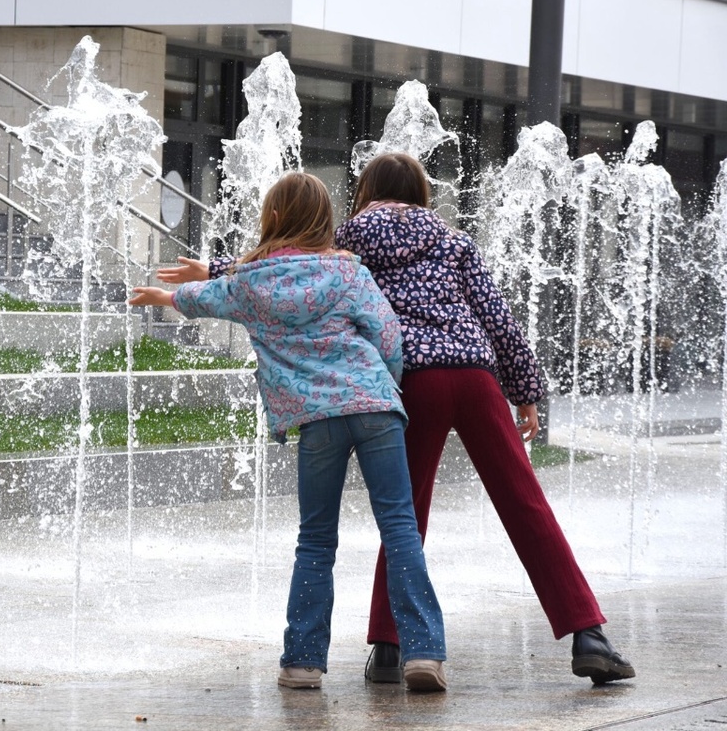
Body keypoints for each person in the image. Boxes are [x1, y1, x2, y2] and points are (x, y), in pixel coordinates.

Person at [162, 153, 635, 687]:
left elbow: (296, 269)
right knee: (525, 502)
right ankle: (588, 634)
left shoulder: (352, 235)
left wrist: (218, 271)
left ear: (365, 192)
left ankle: (389, 647)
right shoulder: (454, 242)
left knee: (404, 513)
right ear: (422, 194)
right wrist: (525, 389)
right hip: (476, 378)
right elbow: (496, 315)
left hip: (413, 379)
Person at [131, 172, 448, 692]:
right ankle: (424, 655)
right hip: (374, 407)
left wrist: (165, 299)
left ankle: (302, 662)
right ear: (326, 221)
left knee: (317, 539)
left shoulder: (251, 283)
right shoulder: (348, 272)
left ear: (272, 218)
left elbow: (205, 298)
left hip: (317, 422)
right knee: (399, 527)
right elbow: (389, 337)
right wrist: (384, 388)